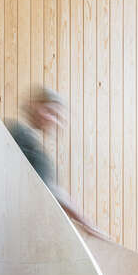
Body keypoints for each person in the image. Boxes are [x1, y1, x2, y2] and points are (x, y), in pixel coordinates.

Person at [8, 86, 104, 238]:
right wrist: (88, 225)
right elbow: (51, 191)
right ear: (36, 107)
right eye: (51, 112)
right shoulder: (21, 136)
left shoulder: (27, 140)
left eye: (57, 117)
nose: (54, 120)